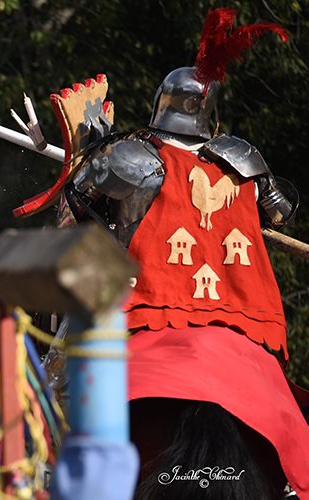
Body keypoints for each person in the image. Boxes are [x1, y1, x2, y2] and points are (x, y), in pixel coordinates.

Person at [64, 9, 309, 499]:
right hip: (243, 319)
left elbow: (79, 205)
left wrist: (92, 147)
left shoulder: (133, 157)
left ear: (161, 103)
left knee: (63, 393)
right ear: (210, 113)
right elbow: (281, 211)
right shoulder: (242, 161)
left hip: (153, 307)